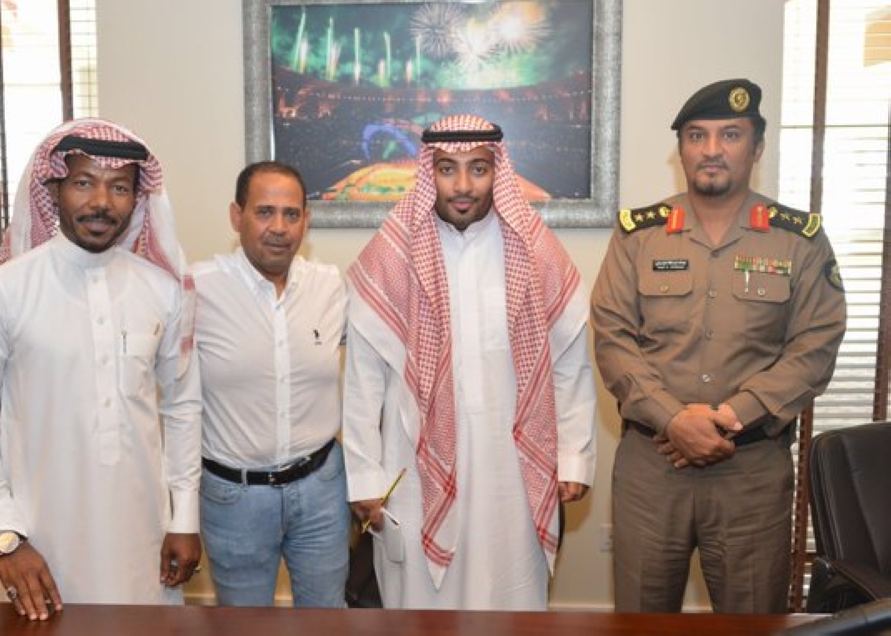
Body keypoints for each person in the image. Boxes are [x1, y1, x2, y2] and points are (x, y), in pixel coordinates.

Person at [591, 78, 847, 613]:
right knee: (641, 620)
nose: (711, 149)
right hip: (651, 469)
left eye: (729, 134)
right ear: (681, 150)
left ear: (757, 147)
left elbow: (816, 342)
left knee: (752, 620)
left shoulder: (798, 240)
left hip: (750, 472)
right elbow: (613, 336)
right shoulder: (638, 235)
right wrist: (672, 419)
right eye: (696, 136)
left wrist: (732, 416)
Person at [0, 119, 202, 621]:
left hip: (143, 538)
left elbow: (182, 405)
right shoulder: (1, 292)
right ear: (54, 190)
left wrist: (185, 517)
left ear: (137, 198)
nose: (101, 202)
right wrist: (6, 537)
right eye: (84, 182)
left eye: (120, 187)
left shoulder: (162, 291)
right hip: (39, 543)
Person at [343, 113, 596, 610]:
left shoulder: (535, 252)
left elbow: (570, 364)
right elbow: (362, 381)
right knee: (419, 607)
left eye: (478, 169)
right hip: (412, 470)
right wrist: (365, 477)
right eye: (447, 169)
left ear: (497, 171)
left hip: (512, 476)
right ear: (428, 173)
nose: (462, 186)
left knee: (510, 600)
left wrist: (573, 456)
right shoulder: (390, 256)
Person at [194, 161, 350, 607]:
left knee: (327, 621)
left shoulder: (331, 287)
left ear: (306, 220)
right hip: (234, 498)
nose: (279, 228)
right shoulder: (196, 289)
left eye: (291, 214)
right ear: (236, 215)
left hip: (322, 489)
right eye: (264, 212)